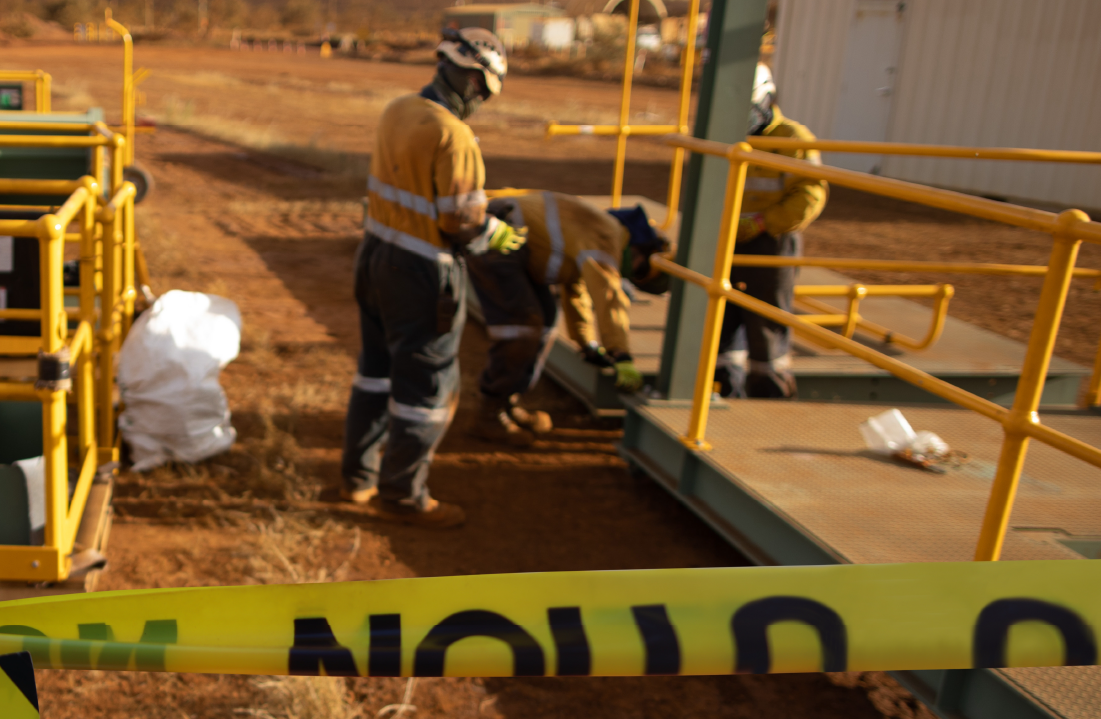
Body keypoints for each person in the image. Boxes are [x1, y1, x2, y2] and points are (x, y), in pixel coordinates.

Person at [341, 26, 526, 529]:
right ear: (472, 80)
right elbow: (461, 221)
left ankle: (359, 477)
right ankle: (402, 495)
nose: (481, 102)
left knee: (375, 373)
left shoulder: (397, 109)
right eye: (484, 92)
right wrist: (498, 236)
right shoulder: (455, 136)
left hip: (375, 257)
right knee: (425, 389)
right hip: (421, 274)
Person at [464, 193, 674, 445]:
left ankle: (507, 402)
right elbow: (608, 294)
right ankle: (489, 413)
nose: (632, 274)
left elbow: (576, 289)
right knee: (522, 327)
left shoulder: (597, 234)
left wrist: (587, 345)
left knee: (545, 320)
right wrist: (621, 354)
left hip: (518, 246)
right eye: (640, 270)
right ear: (640, 247)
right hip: (501, 238)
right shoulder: (608, 237)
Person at [719, 64, 829, 398]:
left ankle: (770, 393)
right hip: (726, 241)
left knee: (766, 320)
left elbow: (810, 194)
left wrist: (764, 222)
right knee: (721, 315)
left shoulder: (793, 139)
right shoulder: (723, 136)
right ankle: (723, 385)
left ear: (766, 98)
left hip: (771, 242)